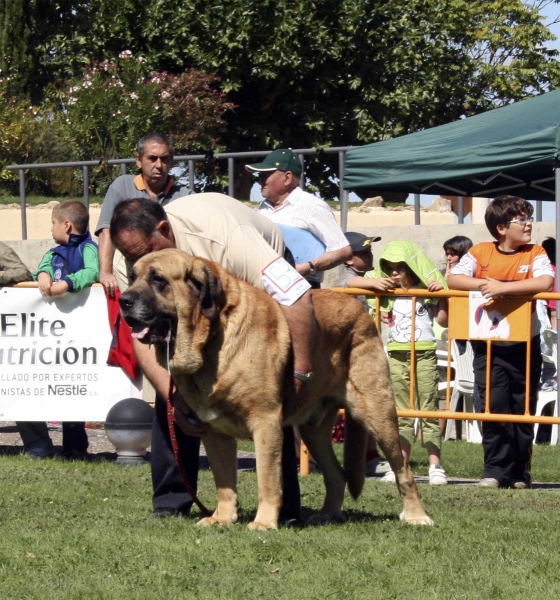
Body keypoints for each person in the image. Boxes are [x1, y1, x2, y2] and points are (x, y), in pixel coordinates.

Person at [110, 194, 314, 522]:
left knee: (268, 398)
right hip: (191, 304)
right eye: (134, 264)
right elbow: (140, 338)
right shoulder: (136, 260)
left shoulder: (226, 236)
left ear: (163, 230)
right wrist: (174, 395)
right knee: (174, 393)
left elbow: (296, 296)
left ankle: (281, 507)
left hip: (256, 282)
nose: (139, 273)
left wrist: (300, 373)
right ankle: (170, 503)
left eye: (147, 256)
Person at [448, 195, 554, 489]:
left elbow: (545, 282)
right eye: (522, 219)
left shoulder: (536, 252)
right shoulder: (480, 251)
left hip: (526, 344)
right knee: (493, 406)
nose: (529, 224)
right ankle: (494, 471)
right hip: (488, 345)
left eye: (529, 217)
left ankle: (520, 472)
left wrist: (503, 288)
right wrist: (486, 285)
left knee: (522, 408)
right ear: (501, 228)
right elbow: (455, 279)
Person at [16, 200, 99, 460]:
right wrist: (42, 275)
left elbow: (92, 272)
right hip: (51, 338)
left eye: (53, 223)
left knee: (72, 390)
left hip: (79, 337)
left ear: (66, 224)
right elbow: (43, 267)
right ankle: (42, 444)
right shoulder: (54, 253)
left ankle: (75, 446)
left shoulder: (89, 249)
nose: (50, 229)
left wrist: (68, 283)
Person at [363, 241, 449, 485]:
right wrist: (373, 283)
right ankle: (399, 465)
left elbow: (443, 320)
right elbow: (352, 283)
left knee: (428, 408)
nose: (393, 273)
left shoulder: (425, 290)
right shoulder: (386, 293)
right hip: (397, 355)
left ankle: (435, 465)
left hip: (424, 354)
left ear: (412, 268)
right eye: (388, 268)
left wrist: (440, 296)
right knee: (401, 412)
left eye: (399, 268)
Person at [95, 132, 190, 297]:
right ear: (139, 160)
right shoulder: (122, 186)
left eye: (165, 159)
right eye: (152, 158)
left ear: (171, 161)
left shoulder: (185, 196)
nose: (159, 165)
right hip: (131, 277)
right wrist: (105, 273)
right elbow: (106, 230)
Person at [246, 148, 352, 287]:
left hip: (301, 287)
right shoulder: (263, 208)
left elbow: (343, 251)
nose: (260, 181)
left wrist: (306, 268)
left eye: (265, 175)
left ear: (287, 177)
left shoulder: (313, 206)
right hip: (266, 286)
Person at [332, 231, 391, 476]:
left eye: (369, 251)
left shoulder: (361, 278)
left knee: (364, 406)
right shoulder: (351, 278)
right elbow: (345, 283)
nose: (369, 255)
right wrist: (373, 283)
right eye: (363, 252)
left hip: (358, 353)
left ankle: (368, 456)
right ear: (348, 258)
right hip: (346, 354)